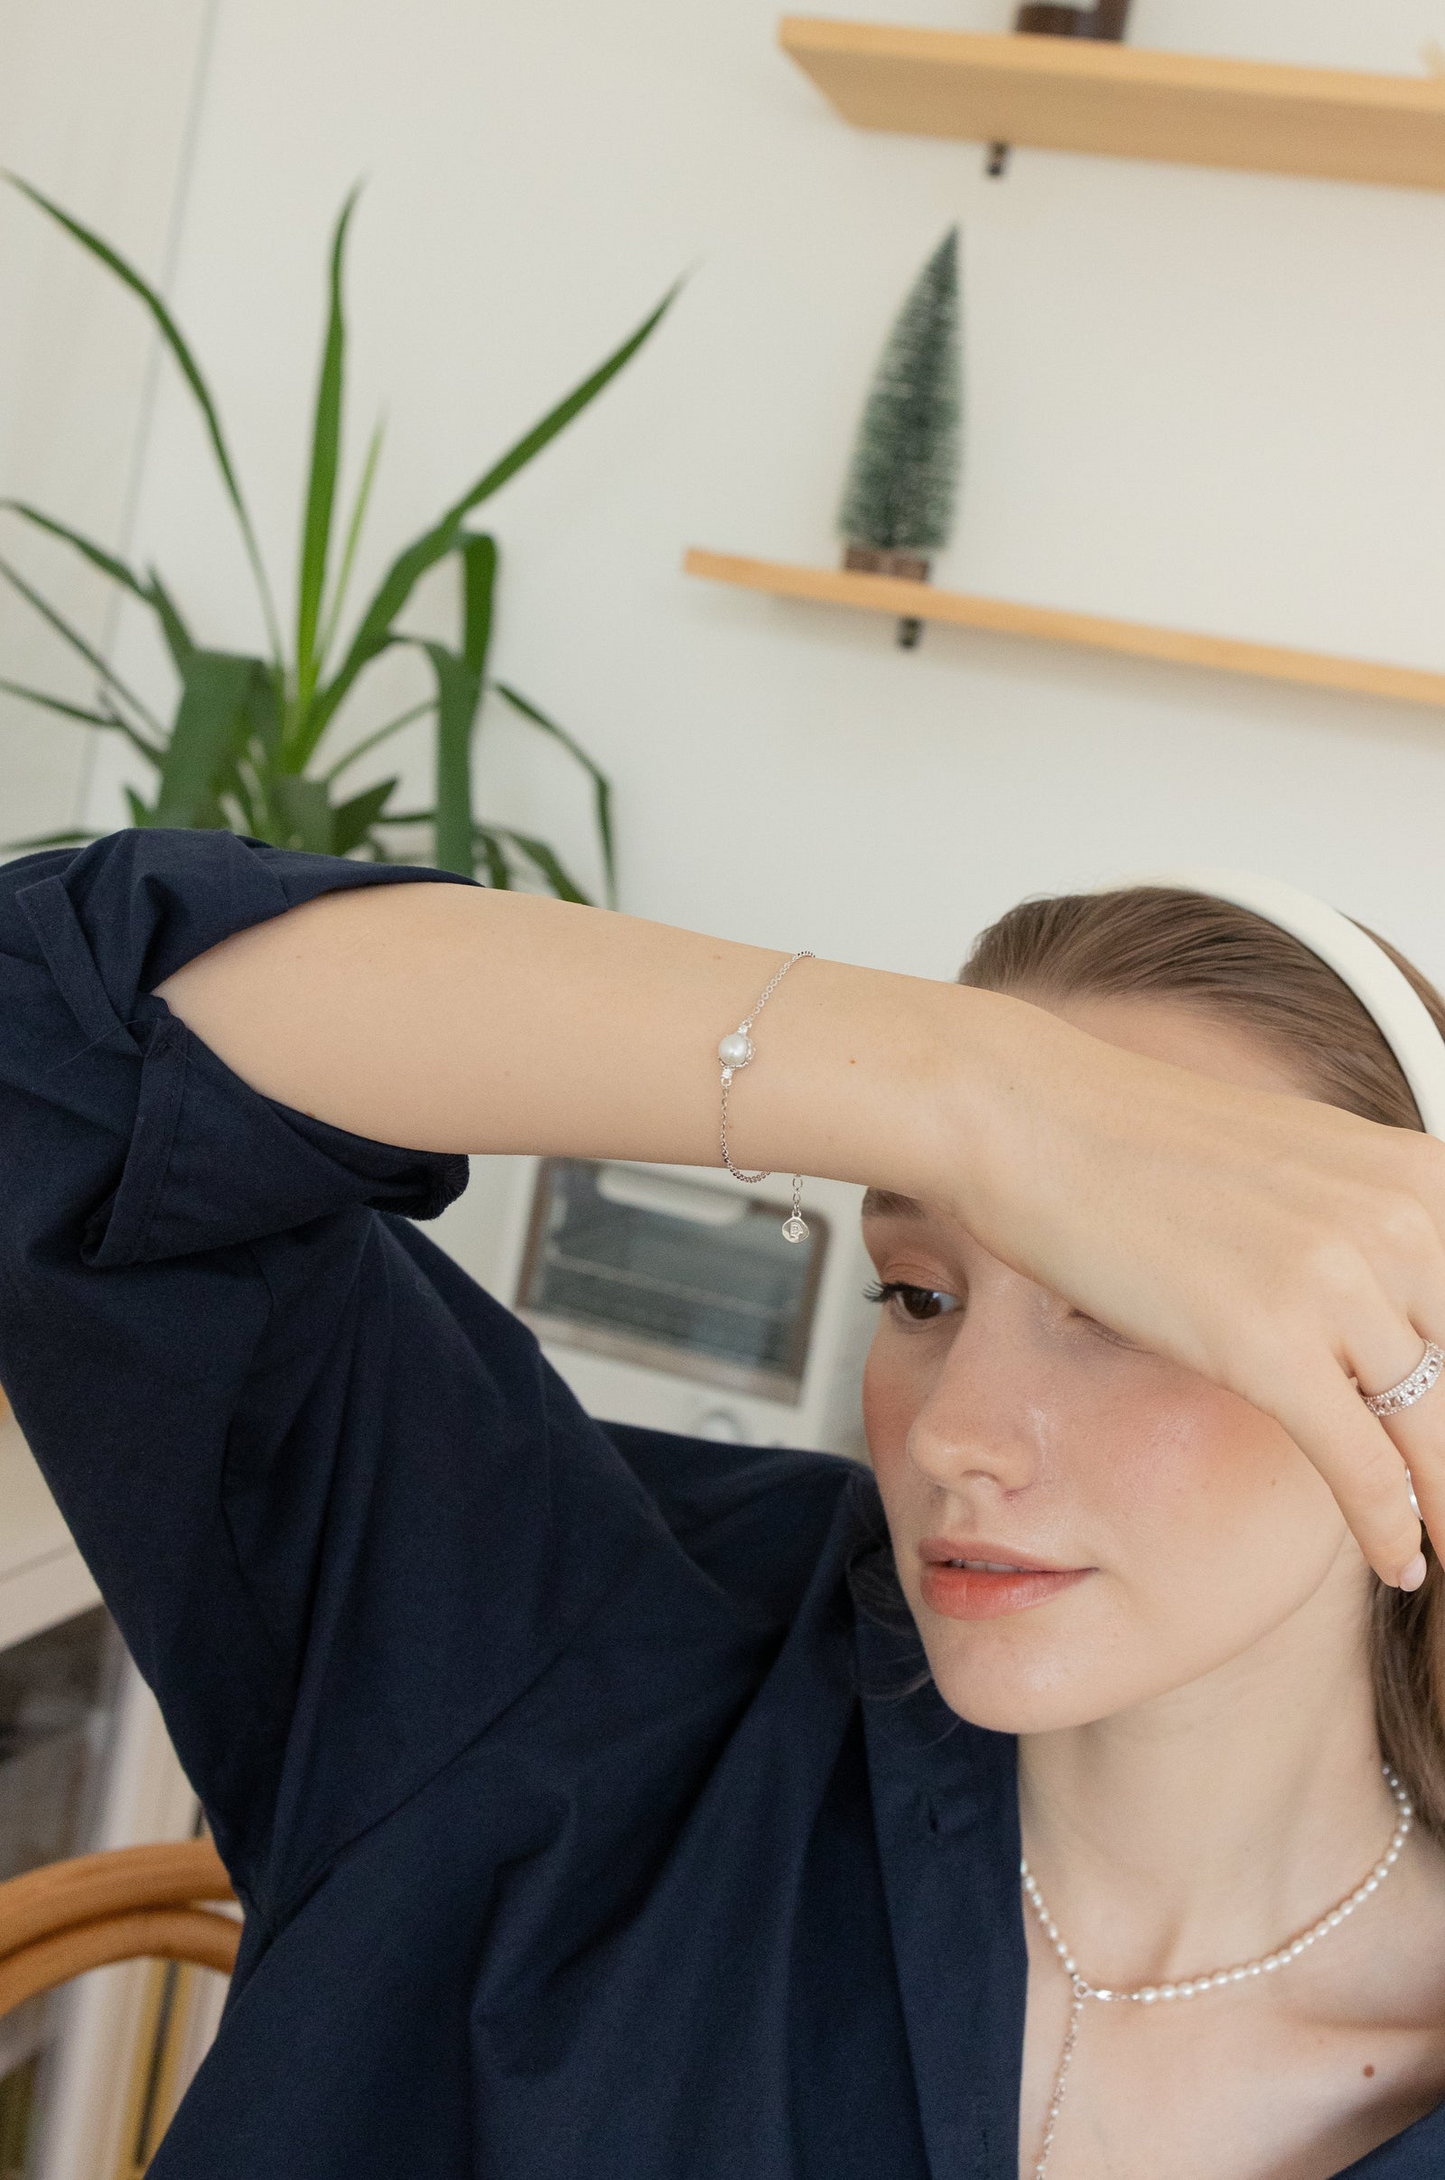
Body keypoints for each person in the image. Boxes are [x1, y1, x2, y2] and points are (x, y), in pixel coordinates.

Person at [1, 828, 1444, 2180]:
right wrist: (971, 1093)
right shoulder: (569, 1662)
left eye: (1128, 1309)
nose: (955, 1434)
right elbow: (51, 1027)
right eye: (919, 1295)